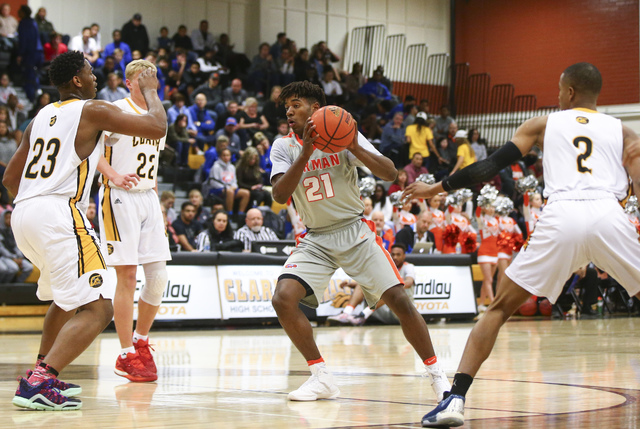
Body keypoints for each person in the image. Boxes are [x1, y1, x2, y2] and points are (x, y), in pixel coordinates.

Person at [405, 62, 640, 427]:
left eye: (560, 89)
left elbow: (488, 168)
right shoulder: (623, 131)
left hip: (561, 217)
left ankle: (455, 399)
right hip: (610, 215)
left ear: (571, 93)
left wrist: (435, 188)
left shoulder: (543, 124)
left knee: (498, 310)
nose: (558, 95)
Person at [269, 81, 450, 403]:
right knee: (283, 298)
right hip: (317, 237)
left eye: (296, 104)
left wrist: (353, 146)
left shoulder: (344, 133)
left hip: (354, 229)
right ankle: (321, 377)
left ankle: (438, 376)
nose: (289, 110)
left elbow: (391, 173)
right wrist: (308, 151)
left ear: (316, 108)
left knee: (399, 300)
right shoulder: (283, 146)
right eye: (287, 106)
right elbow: (281, 196)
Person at [6, 50, 165, 410]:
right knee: (98, 307)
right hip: (57, 212)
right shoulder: (92, 109)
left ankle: (40, 374)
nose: (96, 77)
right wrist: (151, 91)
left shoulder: (40, 116)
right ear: (77, 80)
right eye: (90, 72)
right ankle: (41, 380)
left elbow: (10, 179)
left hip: (24, 214)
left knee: (65, 300)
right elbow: (157, 128)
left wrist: (37, 201)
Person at [96, 59, 171, 384]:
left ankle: (141, 340)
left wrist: (156, 201)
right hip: (118, 196)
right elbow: (88, 149)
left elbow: (152, 161)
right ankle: (125, 353)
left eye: (153, 77)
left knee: (158, 276)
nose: (149, 82)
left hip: (148, 198)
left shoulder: (158, 114)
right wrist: (112, 174)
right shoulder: (116, 109)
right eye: (143, 78)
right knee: (126, 276)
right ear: (130, 82)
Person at [327, 243, 415, 325]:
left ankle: (363, 315)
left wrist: (393, 285)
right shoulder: (386, 268)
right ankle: (346, 313)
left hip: (403, 310)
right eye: (393, 254)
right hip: (385, 309)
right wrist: (350, 284)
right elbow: (372, 283)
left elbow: (409, 282)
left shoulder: (408, 267)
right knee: (363, 285)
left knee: (390, 288)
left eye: (398, 255)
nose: (395, 257)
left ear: (404, 256)